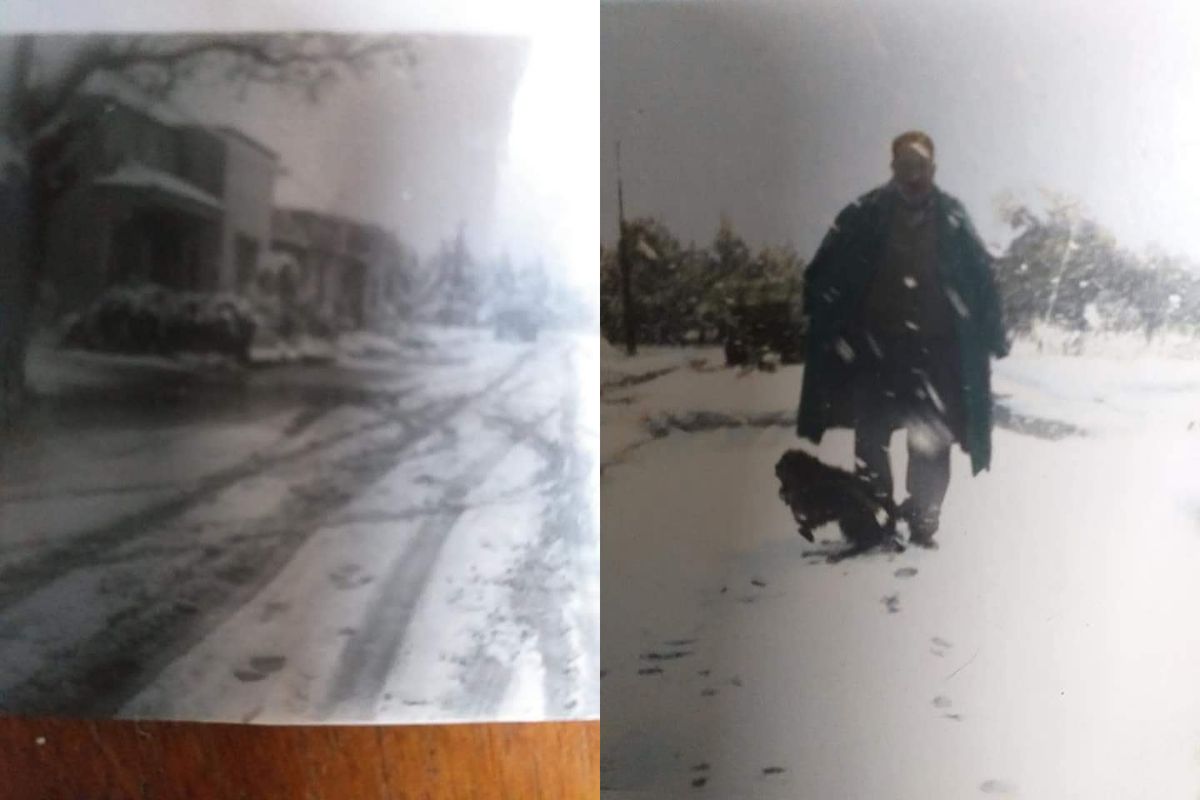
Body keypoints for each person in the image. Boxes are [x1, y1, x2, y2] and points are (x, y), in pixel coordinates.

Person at [796, 131, 1008, 549]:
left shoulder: (952, 219)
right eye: (905, 167)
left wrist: (992, 330)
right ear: (893, 169)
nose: (914, 176)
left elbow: (982, 279)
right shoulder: (866, 215)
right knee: (871, 436)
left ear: (933, 170)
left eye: (921, 167)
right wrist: (826, 318)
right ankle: (875, 514)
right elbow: (824, 272)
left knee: (930, 440)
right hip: (878, 353)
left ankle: (924, 515)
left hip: (936, 354)